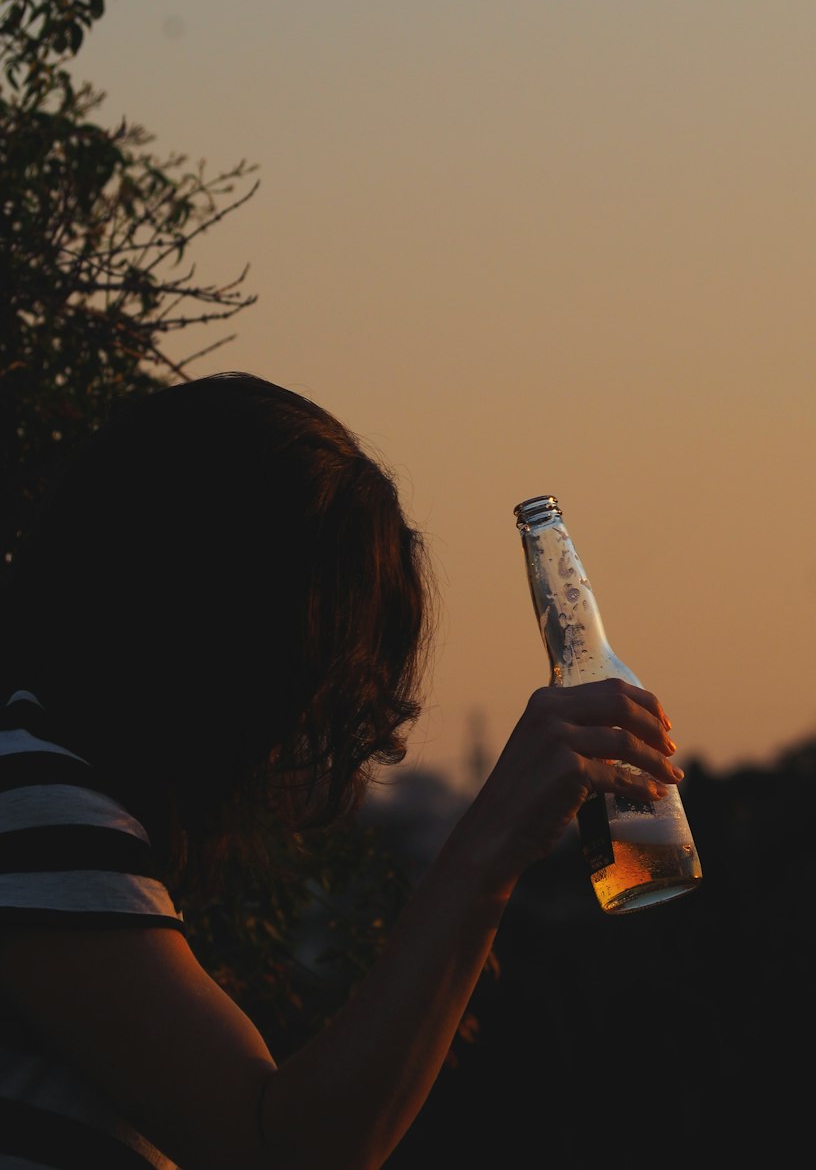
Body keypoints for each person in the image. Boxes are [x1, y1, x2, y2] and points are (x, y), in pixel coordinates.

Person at [0, 372, 684, 1170]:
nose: (300, 733)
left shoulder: (55, 805)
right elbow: (282, 1150)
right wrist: (490, 844)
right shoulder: (34, 805)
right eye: (311, 674)